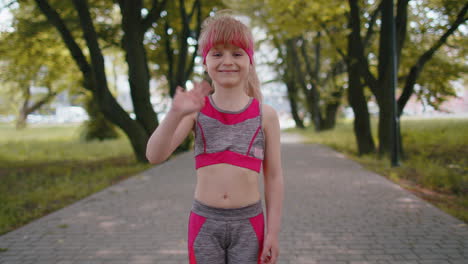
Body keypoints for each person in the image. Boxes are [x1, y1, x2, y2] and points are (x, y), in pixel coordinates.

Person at [146, 12, 284, 264]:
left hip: (250, 224)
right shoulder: (195, 112)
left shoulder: (265, 115)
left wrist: (273, 234)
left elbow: (273, 176)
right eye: (217, 53)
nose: (227, 61)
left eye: (237, 53)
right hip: (205, 224)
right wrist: (175, 114)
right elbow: (155, 156)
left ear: (250, 60)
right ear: (205, 61)